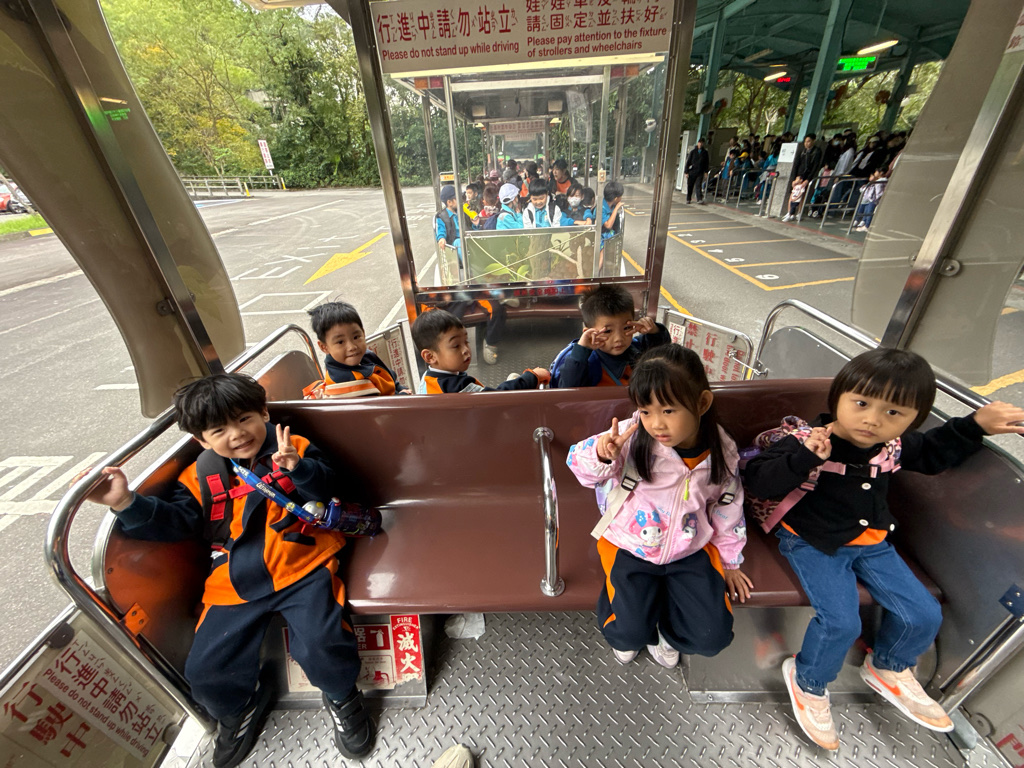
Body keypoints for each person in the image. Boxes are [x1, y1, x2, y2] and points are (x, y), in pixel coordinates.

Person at [79, 374, 375, 767]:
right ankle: (240, 707)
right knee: (206, 669)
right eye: (219, 430)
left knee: (323, 643)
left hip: (301, 564)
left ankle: (342, 696)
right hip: (233, 577)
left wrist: (298, 469)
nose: (236, 435)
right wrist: (125, 503)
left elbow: (331, 488)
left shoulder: (294, 447)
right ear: (201, 440)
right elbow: (178, 523)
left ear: (263, 413)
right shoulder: (200, 474)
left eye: (244, 419)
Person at [743, 349, 1024, 752]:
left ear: (913, 419)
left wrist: (976, 424)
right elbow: (759, 481)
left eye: (894, 413)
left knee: (923, 613)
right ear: (838, 399)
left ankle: (888, 666)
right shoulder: (807, 440)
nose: (873, 420)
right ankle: (808, 680)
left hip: (873, 542)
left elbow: (932, 451)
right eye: (861, 404)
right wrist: (804, 459)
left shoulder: (890, 447)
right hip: (813, 541)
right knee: (841, 623)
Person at [566, 345, 752, 668]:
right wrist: (601, 453)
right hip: (628, 544)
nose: (656, 424)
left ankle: (668, 634)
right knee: (628, 633)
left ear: (702, 403)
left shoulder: (722, 451)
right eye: (646, 411)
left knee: (713, 636)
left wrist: (731, 560)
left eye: (668, 411)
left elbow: (728, 504)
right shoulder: (631, 437)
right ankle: (634, 628)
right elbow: (577, 464)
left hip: (689, 548)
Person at [550, 284, 669, 388]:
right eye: (607, 331)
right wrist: (582, 350)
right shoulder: (585, 362)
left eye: (626, 328)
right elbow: (569, 387)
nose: (619, 338)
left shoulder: (636, 348)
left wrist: (654, 330)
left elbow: (663, 352)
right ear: (588, 333)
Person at [412, 309, 548, 393]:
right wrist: (531, 377)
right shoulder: (456, 387)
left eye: (466, 341)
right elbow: (496, 399)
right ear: (429, 356)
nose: (466, 350)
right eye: (456, 346)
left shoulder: (428, 379)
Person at [304, 302, 408, 398]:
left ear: (363, 333)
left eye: (356, 337)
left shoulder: (364, 356)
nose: (352, 347)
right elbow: (381, 407)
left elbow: (390, 378)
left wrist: (400, 389)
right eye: (340, 342)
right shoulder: (349, 385)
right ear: (324, 347)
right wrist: (403, 395)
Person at [435, 185, 461, 257]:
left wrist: (475, 224)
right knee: (458, 242)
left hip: (467, 240)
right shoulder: (442, 217)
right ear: (449, 202)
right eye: (457, 198)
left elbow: (470, 227)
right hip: (454, 245)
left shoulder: (462, 212)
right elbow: (440, 230)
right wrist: (441, 238)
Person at [684, 137, 710, 204]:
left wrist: (706, 172)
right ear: (698, 143)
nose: (700, 144)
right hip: (692, 171)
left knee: (698, 185)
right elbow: (688, 162)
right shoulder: (693, 152)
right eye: (699, 143)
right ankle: (688, 198)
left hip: (700, 171)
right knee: (690, 185)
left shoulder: (705, 153)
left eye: (702, 143)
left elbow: (706, 163)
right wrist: (686, 172)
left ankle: (699, 199)